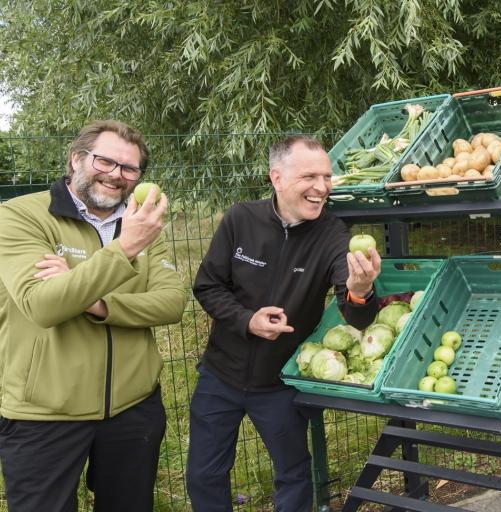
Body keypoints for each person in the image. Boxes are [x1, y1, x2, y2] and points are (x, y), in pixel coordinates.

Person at [187, 135, 381, 511]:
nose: (322, 187)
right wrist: (247, 320)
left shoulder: (332, 235)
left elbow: (356, 313)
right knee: (204, 474)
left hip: (280, 383)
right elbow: (207, 285)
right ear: (277, 177)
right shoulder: (241, 219)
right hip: (220, 375)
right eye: (310, 176)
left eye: (326, 177)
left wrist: (360, 289)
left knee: (293, 473)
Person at [0, 120, 186, 512]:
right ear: (76, 159)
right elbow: (44, 305)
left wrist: (97, 304)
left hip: (134, 407)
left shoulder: (143, 224)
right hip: (46, 411)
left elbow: (171, 303)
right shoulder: (20, 216)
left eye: (129, 168)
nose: (116, 175)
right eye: (105, 161)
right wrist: (126, 249)